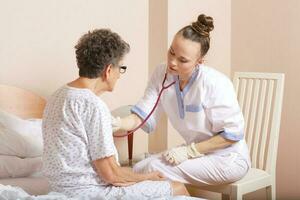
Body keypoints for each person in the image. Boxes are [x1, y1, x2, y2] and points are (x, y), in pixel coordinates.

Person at [42, 29, 190, 199]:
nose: (120, 75)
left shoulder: (57, 96)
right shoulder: (94, 106)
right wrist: (148, 177)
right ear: (108, 70)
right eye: (121, 68)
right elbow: (111, 175)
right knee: (177, 188)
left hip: (60, 190)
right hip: (90, 193)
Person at [112, 14, 251, 186]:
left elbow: (232, 135)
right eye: (171, 52)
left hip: (227, 158)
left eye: (182, 60)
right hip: (197, 154)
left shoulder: (215, 83)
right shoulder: (162, 73)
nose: (172, 62)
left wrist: (190, 151)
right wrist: (118, 123)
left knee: (149, 169)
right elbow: (144, 114)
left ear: (200, 61)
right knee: (140, 167)